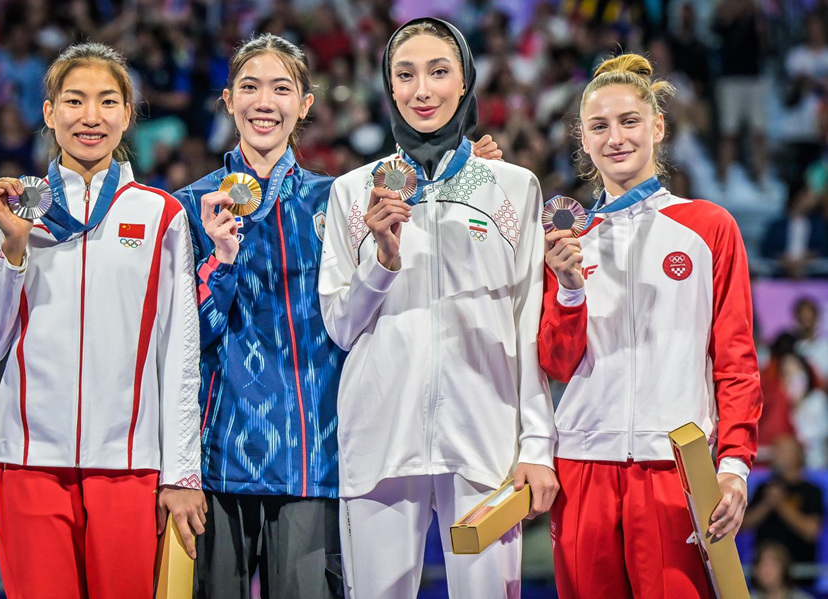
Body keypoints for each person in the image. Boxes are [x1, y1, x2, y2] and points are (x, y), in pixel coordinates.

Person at [172, 32, 501, 599]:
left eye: (281, 88)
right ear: (227, 101)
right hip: (217, 459)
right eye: (249, 88)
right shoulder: (188, 207)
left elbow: (417, 206)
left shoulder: (341, 198)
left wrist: (472, 170)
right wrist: (219, 265)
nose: (264, 102)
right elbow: (183, 343)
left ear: (305, 103)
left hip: (316, 458)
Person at [319, 17, 559, 599]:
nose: (421, 90)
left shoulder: (514, 186)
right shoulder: (354, 192)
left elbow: (528, 321)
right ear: (388, 86)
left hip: (486, 444)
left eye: (438, 72)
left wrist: (537, 446)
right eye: (405, 75)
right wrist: (382, 261)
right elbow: (341, 326)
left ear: (465, 81)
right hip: (379, 441)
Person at [0, 42, 206, 599]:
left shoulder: (160, 214)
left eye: (107, 101)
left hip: (129, 464)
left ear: (127, 114)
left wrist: (181, 473)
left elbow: (179, 353)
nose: (90, 117)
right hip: (28, 461)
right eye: (74, 101)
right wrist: (15, 250)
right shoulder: (10, 209)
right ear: (49, 112)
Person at [540, 53, 762, 598]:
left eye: (629, 121)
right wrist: (568, 288)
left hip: (673, 469)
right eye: (599, 126)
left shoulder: (708, 228)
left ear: (657, 127)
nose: (615, 137)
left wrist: (733, 465)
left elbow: (735, 358)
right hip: (582, 465)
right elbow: (555, 362)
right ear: (584, 140)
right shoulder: (566, 238)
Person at [744, 435, 824, 587]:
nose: (775, 454)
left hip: (800, 575)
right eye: (775, 450)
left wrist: (781, 505)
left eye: (781, 450)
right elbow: (742, 525)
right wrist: (766, 504)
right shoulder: (765, 488)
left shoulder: (811, 491)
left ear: (797, 455)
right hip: (763, 576)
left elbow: (811, 531)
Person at [750, 542, 816, 599]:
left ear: (784, 568)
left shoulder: (801, 597)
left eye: (772, 564)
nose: (766, 570)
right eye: (762, 564)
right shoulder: (747, 597)